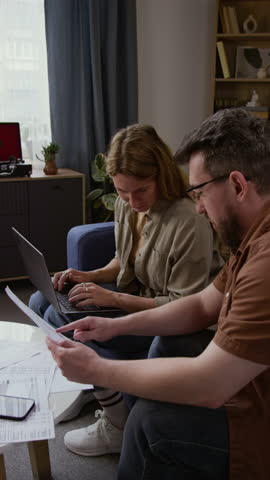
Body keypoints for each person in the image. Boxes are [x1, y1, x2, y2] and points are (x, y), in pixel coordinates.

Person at [47, 108, 270, 480]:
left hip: (259, 417)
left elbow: (211, 384)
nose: (198, 205)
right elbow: (201, 305)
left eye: (199, 190)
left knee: (150, 425)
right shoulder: (252, 239)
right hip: (245, 377)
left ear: (237, 185)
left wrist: (98, 368)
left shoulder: (264, 264)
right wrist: (114, 327)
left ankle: (131, 429)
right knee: (167, 350)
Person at [32, 123, 222, 457]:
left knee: (61, 317)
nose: (131, 201)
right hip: (136, 298)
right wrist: (87, 274)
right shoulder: (125, 205)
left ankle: (117, 425)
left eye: (140, 191)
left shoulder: (189, 219)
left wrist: (113, 298)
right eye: (122, 191)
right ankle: (94, 388)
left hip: (170, 319)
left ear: (161, 176)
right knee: (40, 299)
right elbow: (124, 258)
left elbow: (186, 305)